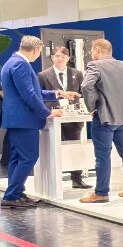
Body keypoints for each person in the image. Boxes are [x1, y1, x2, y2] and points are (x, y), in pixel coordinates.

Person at [1, 36, 71, 208]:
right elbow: (30, 95)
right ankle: (11, 196)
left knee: (17, 158)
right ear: (36, 50)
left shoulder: (12, 62)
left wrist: (58, 93)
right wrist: (47, 112)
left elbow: (32, 92)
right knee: (29, 157)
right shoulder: (21, 64)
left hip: (17, 120)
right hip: (24, 120)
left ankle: (16, 193)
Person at [78, 39, 123, 204]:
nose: (92, 54)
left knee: (102, 156)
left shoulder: (95, 66)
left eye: (92, 51)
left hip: (104, 119)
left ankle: (101, 193)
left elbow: (86, 86)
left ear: (97, 49)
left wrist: (92, 107)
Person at [38, 46, 89, 189]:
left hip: (73, 117)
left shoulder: (77, 74)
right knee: (52, 148)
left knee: (74, 148)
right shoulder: (43, 75)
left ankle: (77, 179)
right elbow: (39, 94)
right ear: (52, 57)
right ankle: (53, 179)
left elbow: (83, 93)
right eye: (57, 56)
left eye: (63, 56)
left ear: (68, 58)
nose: (60, 58)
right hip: (53, 116)